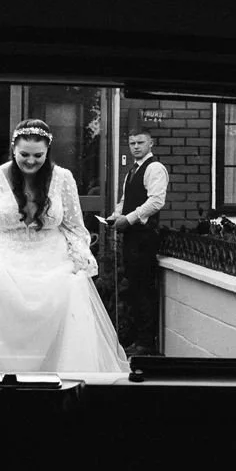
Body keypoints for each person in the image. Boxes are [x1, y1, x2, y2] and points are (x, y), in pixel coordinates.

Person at [0, 117, 128, 373]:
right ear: (13, 150)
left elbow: (74, 226)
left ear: (48, 151)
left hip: (50, 260)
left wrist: (79, 259)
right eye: (24, 154)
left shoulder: (63, 178)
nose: (30, 161)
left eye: (38, 155)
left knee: (72, 286)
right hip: (2, 258)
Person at [102, 127, 167, 353]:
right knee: (135, 288)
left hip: (144, 238)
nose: (136, 147)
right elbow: (125, 199)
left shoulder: (155, 168)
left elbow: (156, 202)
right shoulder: (132, 171)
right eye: (132, 143)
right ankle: (138, 340)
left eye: (140, 142)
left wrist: (128, 220)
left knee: (143, 290)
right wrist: (116, 216)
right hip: (132, 238)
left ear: (151, 144)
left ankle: (145, 343)